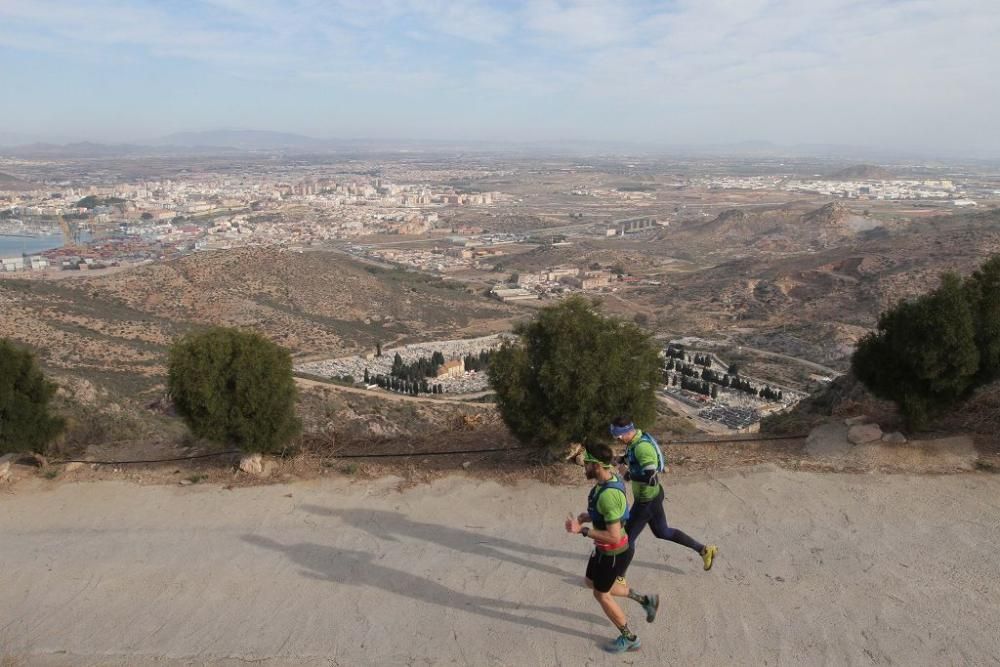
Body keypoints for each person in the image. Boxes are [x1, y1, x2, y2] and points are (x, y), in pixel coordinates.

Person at [565, 443, 659, 654]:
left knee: (601, 594)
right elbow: (610, 515)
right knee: (590, 582)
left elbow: (614, 534)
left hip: (613, 552)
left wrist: (582, 530)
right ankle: (646, 600)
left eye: (586, 463)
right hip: (602, 549)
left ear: (597, 465)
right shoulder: (607, 480)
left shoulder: (608, 495)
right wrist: (588, 516)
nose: (583, 466)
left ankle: (630, 638)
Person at [610, 416, 718, 570]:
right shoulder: (634, 442)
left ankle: (619, 577)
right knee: (663, 532)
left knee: (626, 539)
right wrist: (620, 460)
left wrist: (628, 475)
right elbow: (633, 459)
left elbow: (651, 478)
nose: (617, 438)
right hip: (653, 497)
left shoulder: (642, 447)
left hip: (646, 501)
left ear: (628, 431)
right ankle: (705, 550)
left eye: (619, 435)